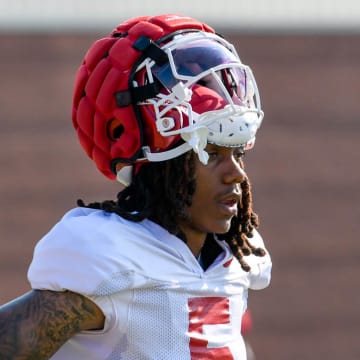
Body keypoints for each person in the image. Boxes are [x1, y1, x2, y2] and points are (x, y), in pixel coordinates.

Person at [0, 14, 271, 359]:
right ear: (161, 166)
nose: (236, 175)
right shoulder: (112, 258)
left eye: (238, 153)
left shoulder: (232, 257)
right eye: (211, 153)